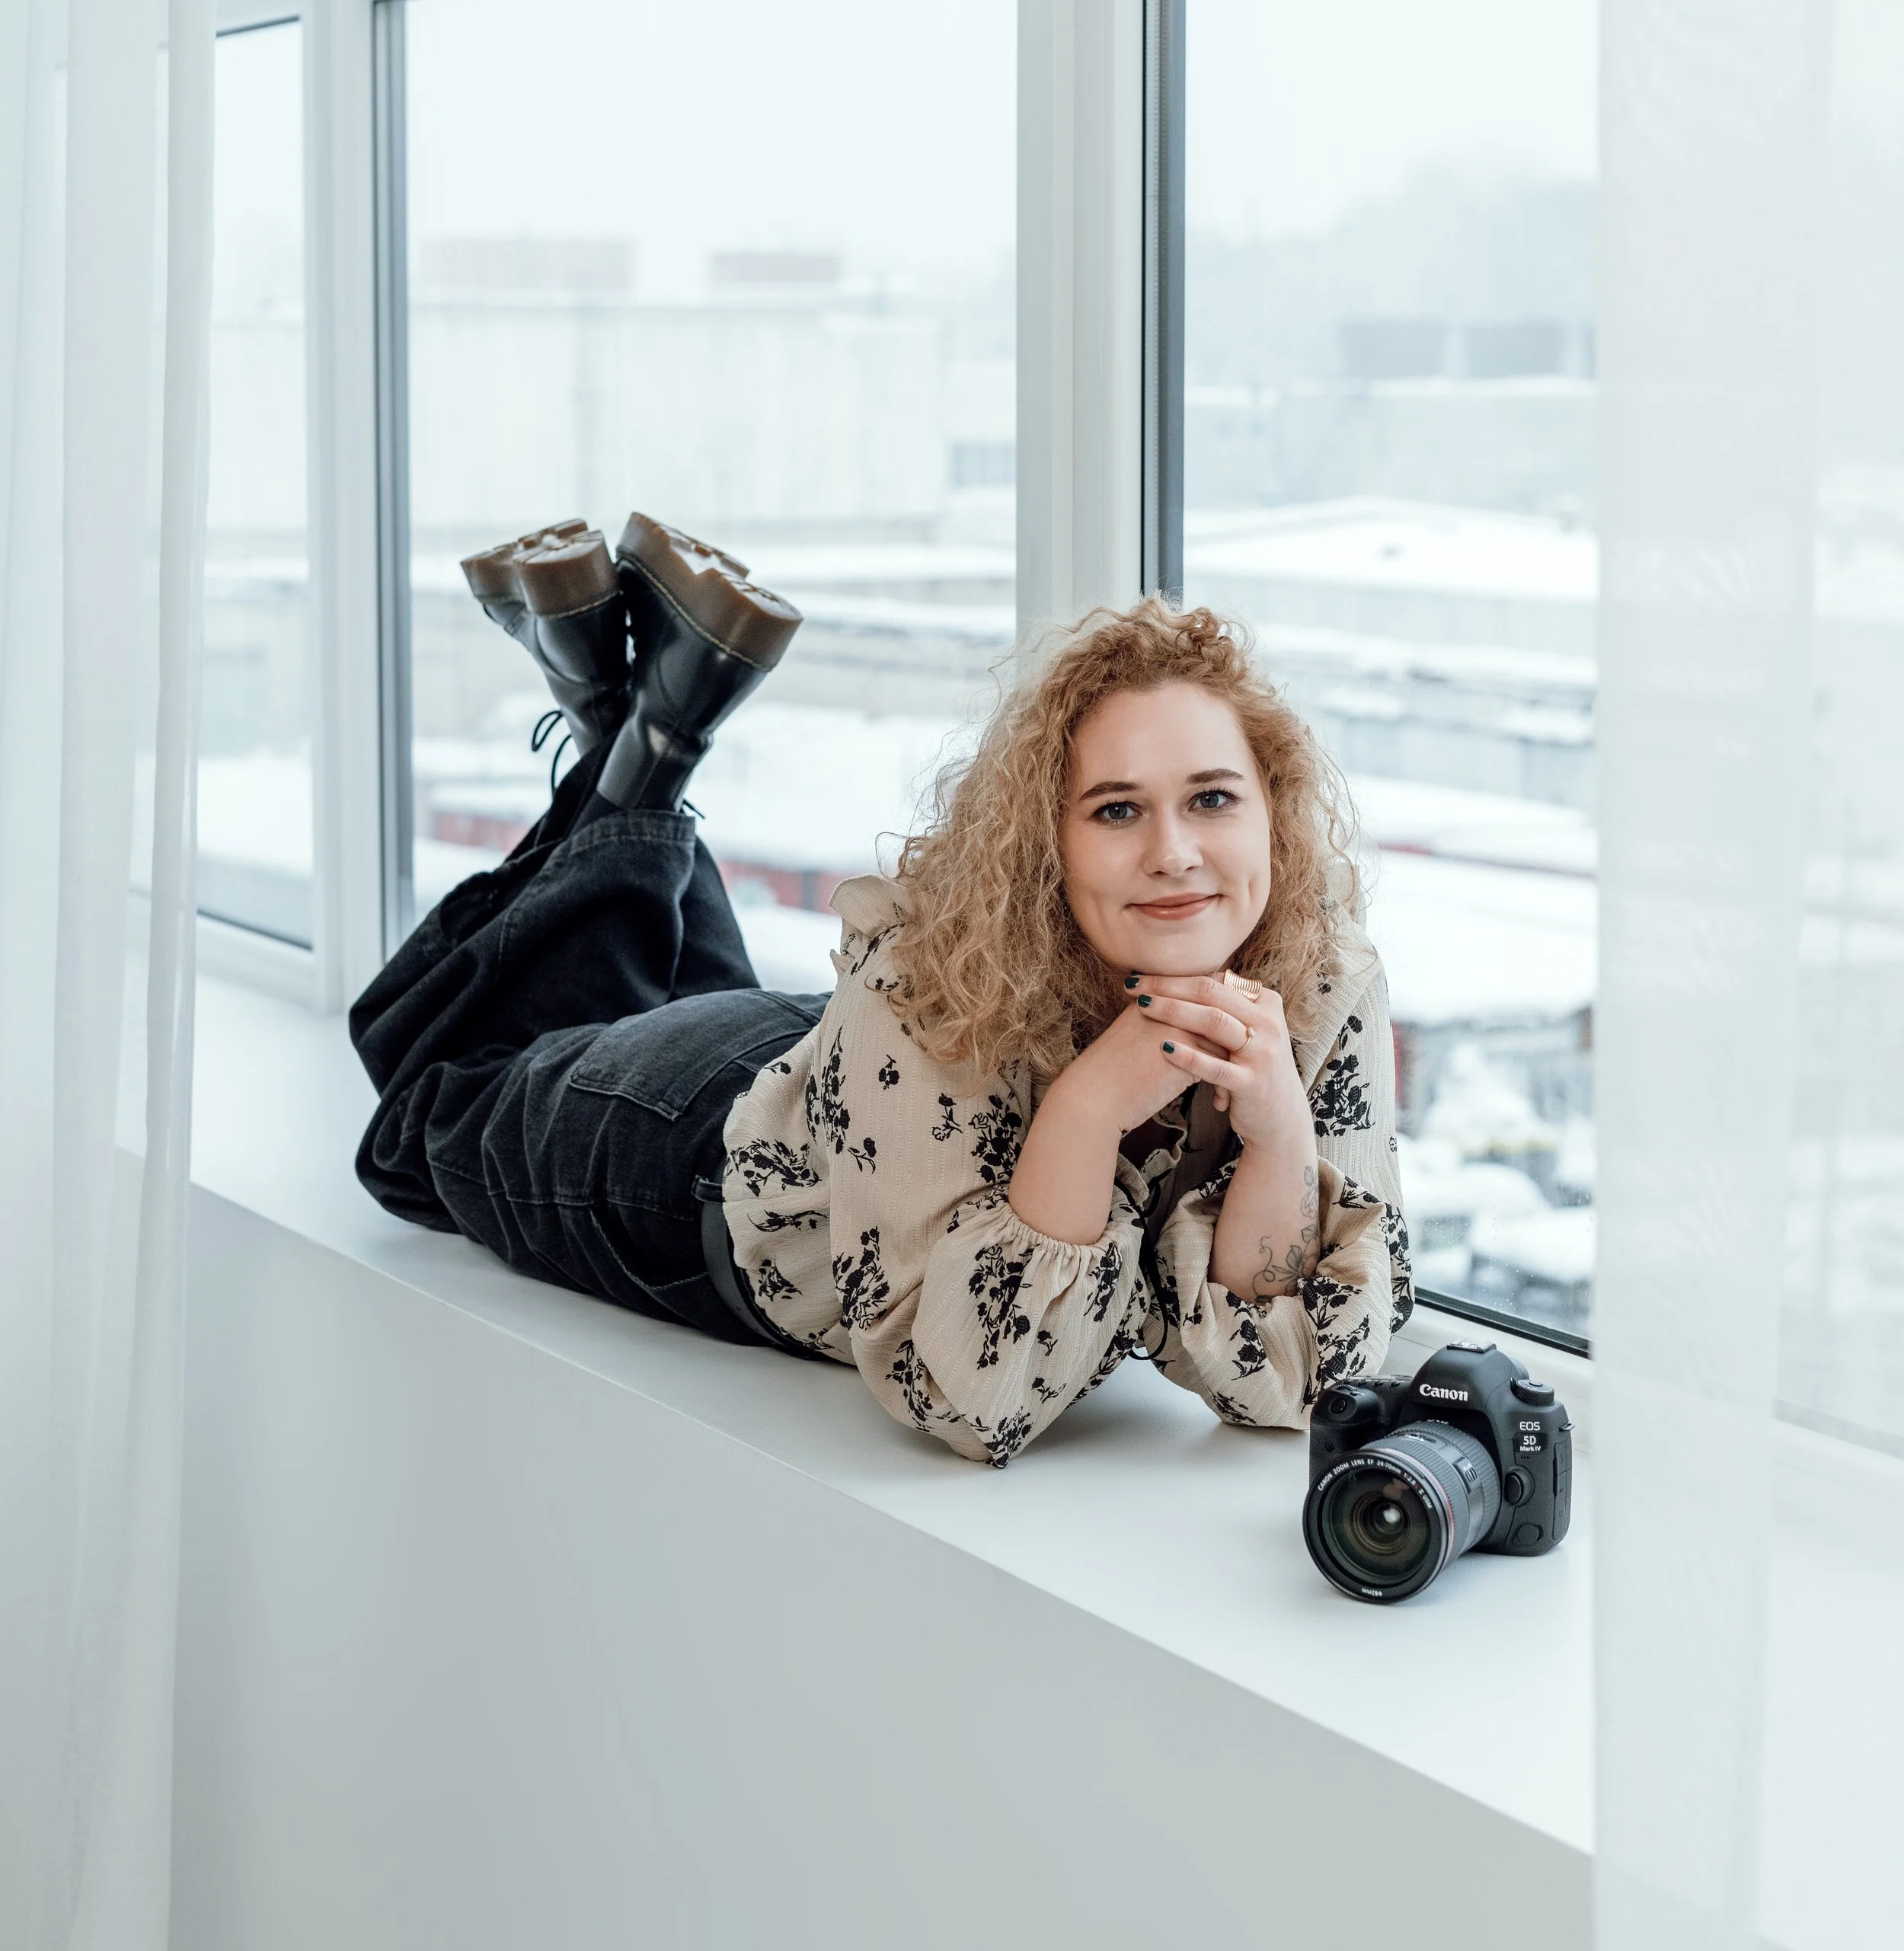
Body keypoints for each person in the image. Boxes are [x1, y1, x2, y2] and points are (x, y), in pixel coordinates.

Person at [353, 509, 1413, 1467]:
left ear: (1271, 808)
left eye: (1213, 798)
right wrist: (1092, 1103)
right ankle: (643, 738)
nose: (1175, 852)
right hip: (697, 1158)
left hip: (862, 1091)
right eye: (1117, 810)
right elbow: (971, 1400)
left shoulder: (1320, 975)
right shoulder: (931, 967)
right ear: (1046, 842)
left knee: (625, 984)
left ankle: (637, 723)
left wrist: (1281, 1130)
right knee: (424, 1122)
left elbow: (1300, 1375)